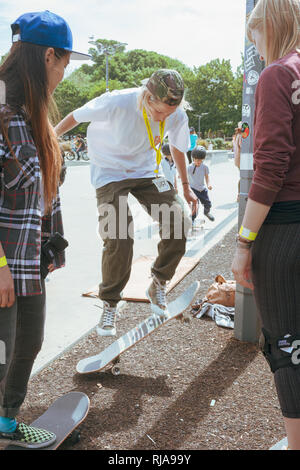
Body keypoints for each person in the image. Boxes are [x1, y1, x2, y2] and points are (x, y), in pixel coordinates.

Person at [0, 10, 90, 449]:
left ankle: (7, 424)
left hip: (29, 262)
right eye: (64, 62)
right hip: (3, 264)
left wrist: (51, 250)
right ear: (47, 56)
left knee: (28, 343)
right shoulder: (1, 113)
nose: (64, 72)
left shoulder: (33, 117)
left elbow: (44, 192)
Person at [55, 69, 198, 336]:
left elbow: (178, 147)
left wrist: (187, 188)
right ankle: (110, 302)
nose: (162, 119)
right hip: (109, 173)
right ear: (147, 97)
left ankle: (158, 282)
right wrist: (50, 138)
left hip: (147, 172)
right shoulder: (117, 101)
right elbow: (75, 116)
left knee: (179, 221)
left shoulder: (176, 113)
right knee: (119, 234)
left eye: (168, 115)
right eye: (158, 113)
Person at [231, 0, 300, 450]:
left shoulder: (278, 74)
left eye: (254, 36)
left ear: (268, 26)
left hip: (285, 230)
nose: (254, 48)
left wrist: (244, 240)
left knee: (287, 343)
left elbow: (272, 166)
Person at [187, 146, 215, 224]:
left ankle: (206, 212)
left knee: (208, 204)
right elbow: (185, 176)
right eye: (197, 160)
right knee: (195, 206)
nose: (199, 162)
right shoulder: (189, 167)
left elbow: (207, 177)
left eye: (201, 160)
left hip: (202, 190)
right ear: (193, 158)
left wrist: (209, 184)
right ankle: (192, 219)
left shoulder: (205, 167)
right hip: (193, 189)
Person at [232, 122, 242, 202]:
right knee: (243, 177)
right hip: (241, 160)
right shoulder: (241, 136)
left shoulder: (237, 135)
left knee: (242, 177)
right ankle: (240, 195)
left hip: (238, 160)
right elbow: (243, 147)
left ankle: (240, 195)